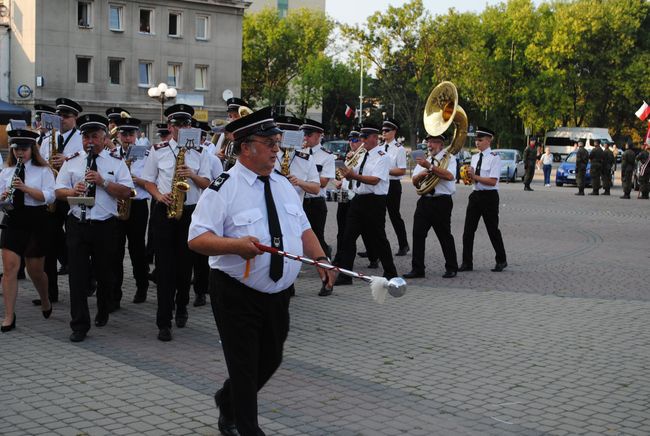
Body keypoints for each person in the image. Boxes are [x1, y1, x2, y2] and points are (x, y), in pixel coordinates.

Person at [187, 107, 335, 436]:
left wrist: (321, 258)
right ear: (245, 147)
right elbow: (197, 239)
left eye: (277, 142)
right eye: (268, 142)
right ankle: (246, 426)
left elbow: (303, 227)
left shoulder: (282, 184)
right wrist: (235, 245)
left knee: (271, 358)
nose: (276, 149)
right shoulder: (223, 188)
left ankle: (227, 402)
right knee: (244, 365)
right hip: (236, 292)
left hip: (278, 293)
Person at [54, 114, 134, 342]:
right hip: (77, 223)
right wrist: (73, 191)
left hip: (104, 225)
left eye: (94, 137)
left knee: (104, 274)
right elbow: (58, 191)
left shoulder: (115, 162)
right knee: (77, 277)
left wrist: (103, 182)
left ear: (103, 138)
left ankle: (103, 307)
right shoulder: (72, 161)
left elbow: (127, 192)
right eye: (86, 137)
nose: (89, 141)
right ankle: (79, 324)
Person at [141, 104, 212, 341]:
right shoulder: (157, 150)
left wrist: (191, 175)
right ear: (170, 127)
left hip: (190, 212)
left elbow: (208, 185)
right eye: (177, 124)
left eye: (186, 124)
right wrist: (159, 196)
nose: (182, 128)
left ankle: (181, 307)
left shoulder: (201, 153)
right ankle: (164, 321)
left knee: (185, 267)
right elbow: (148, 181)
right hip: (164, 211)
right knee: (165, 268)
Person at [1, 130, 56, 332]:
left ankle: (45, 299)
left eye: (23, 149)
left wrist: (25, 188)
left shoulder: (43, 171)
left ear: (32, 149)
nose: (19, 153)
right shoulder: (7, 171)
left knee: (35, 271)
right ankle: (9, 316)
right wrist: (3, 196)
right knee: (9, 270)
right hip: (13, 221)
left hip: (36, 221)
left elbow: (50, 197)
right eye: (16, 149)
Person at [334, 122, 399, 285]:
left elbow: (376, 180)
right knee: (347, 238)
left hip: (375, 202)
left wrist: (354, 176)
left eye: (364, 137)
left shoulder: (383, 157)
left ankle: (391, 272)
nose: (361, 140)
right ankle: (345, 275)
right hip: (358, 200)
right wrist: (346, 172)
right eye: (360, 137)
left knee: (379, 238)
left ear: (374, 138)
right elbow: (354, 174)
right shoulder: (362, 154)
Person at [402, 133, 458, 279]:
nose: (429, 145)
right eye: (428, 142)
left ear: (440, 144)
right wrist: (422, 174)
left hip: (442, 201)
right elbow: (414, 180)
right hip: (424, 200)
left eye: (432, 142)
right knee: (418, 234)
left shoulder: (450, 159)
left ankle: (451, 267)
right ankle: (417, 269)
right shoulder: (425, 160)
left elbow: (449, 176)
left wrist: (430, 167)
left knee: (444, 235)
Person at [112, 117, 151, 306]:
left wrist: (134, 179)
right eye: (123, 134)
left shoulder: (147, 155)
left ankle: (142, 286)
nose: (127, 138)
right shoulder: (111, 154)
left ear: (136, 135)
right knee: (115, 251)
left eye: (130, 134)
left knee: (137, 250)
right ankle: (115, 294)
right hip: (117, 204)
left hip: (137, 205)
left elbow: (152, 182)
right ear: (118, 135)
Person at [459, 127, 507, 272]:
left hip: (489, 197)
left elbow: (493, 181)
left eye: (480, 140)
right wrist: (467, 177)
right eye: (476, 140)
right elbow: (472, 179)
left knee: (492, 230)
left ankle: (501, 260)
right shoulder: (474, 157)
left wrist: (475, 177)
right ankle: (467, 263)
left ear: (488, 140)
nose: (477, 142)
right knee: (468, 231)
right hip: (475, 195)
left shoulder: (494, 158)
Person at [300, 119, 335, 258]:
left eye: (308, 134)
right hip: (300, 199)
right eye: (304, 134)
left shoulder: (327, 156)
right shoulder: (299, 152)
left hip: (315, 202)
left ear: (318, 135)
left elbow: (324, 181)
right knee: (298, 234)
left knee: (317, 235)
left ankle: (326, 258)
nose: (305, 137)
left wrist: (303, 180)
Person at [381, 118, 409, 255]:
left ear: (394, 132)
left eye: (387, 130)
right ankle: (375, 247)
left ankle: (403, 244)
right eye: (383, 130)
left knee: (394, 215)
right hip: (380, 184)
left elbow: (402, 170)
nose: (384, 133)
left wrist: (384, 170)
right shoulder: (379, 148)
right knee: (378, 216)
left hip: (393, 184)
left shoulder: (399, 149)